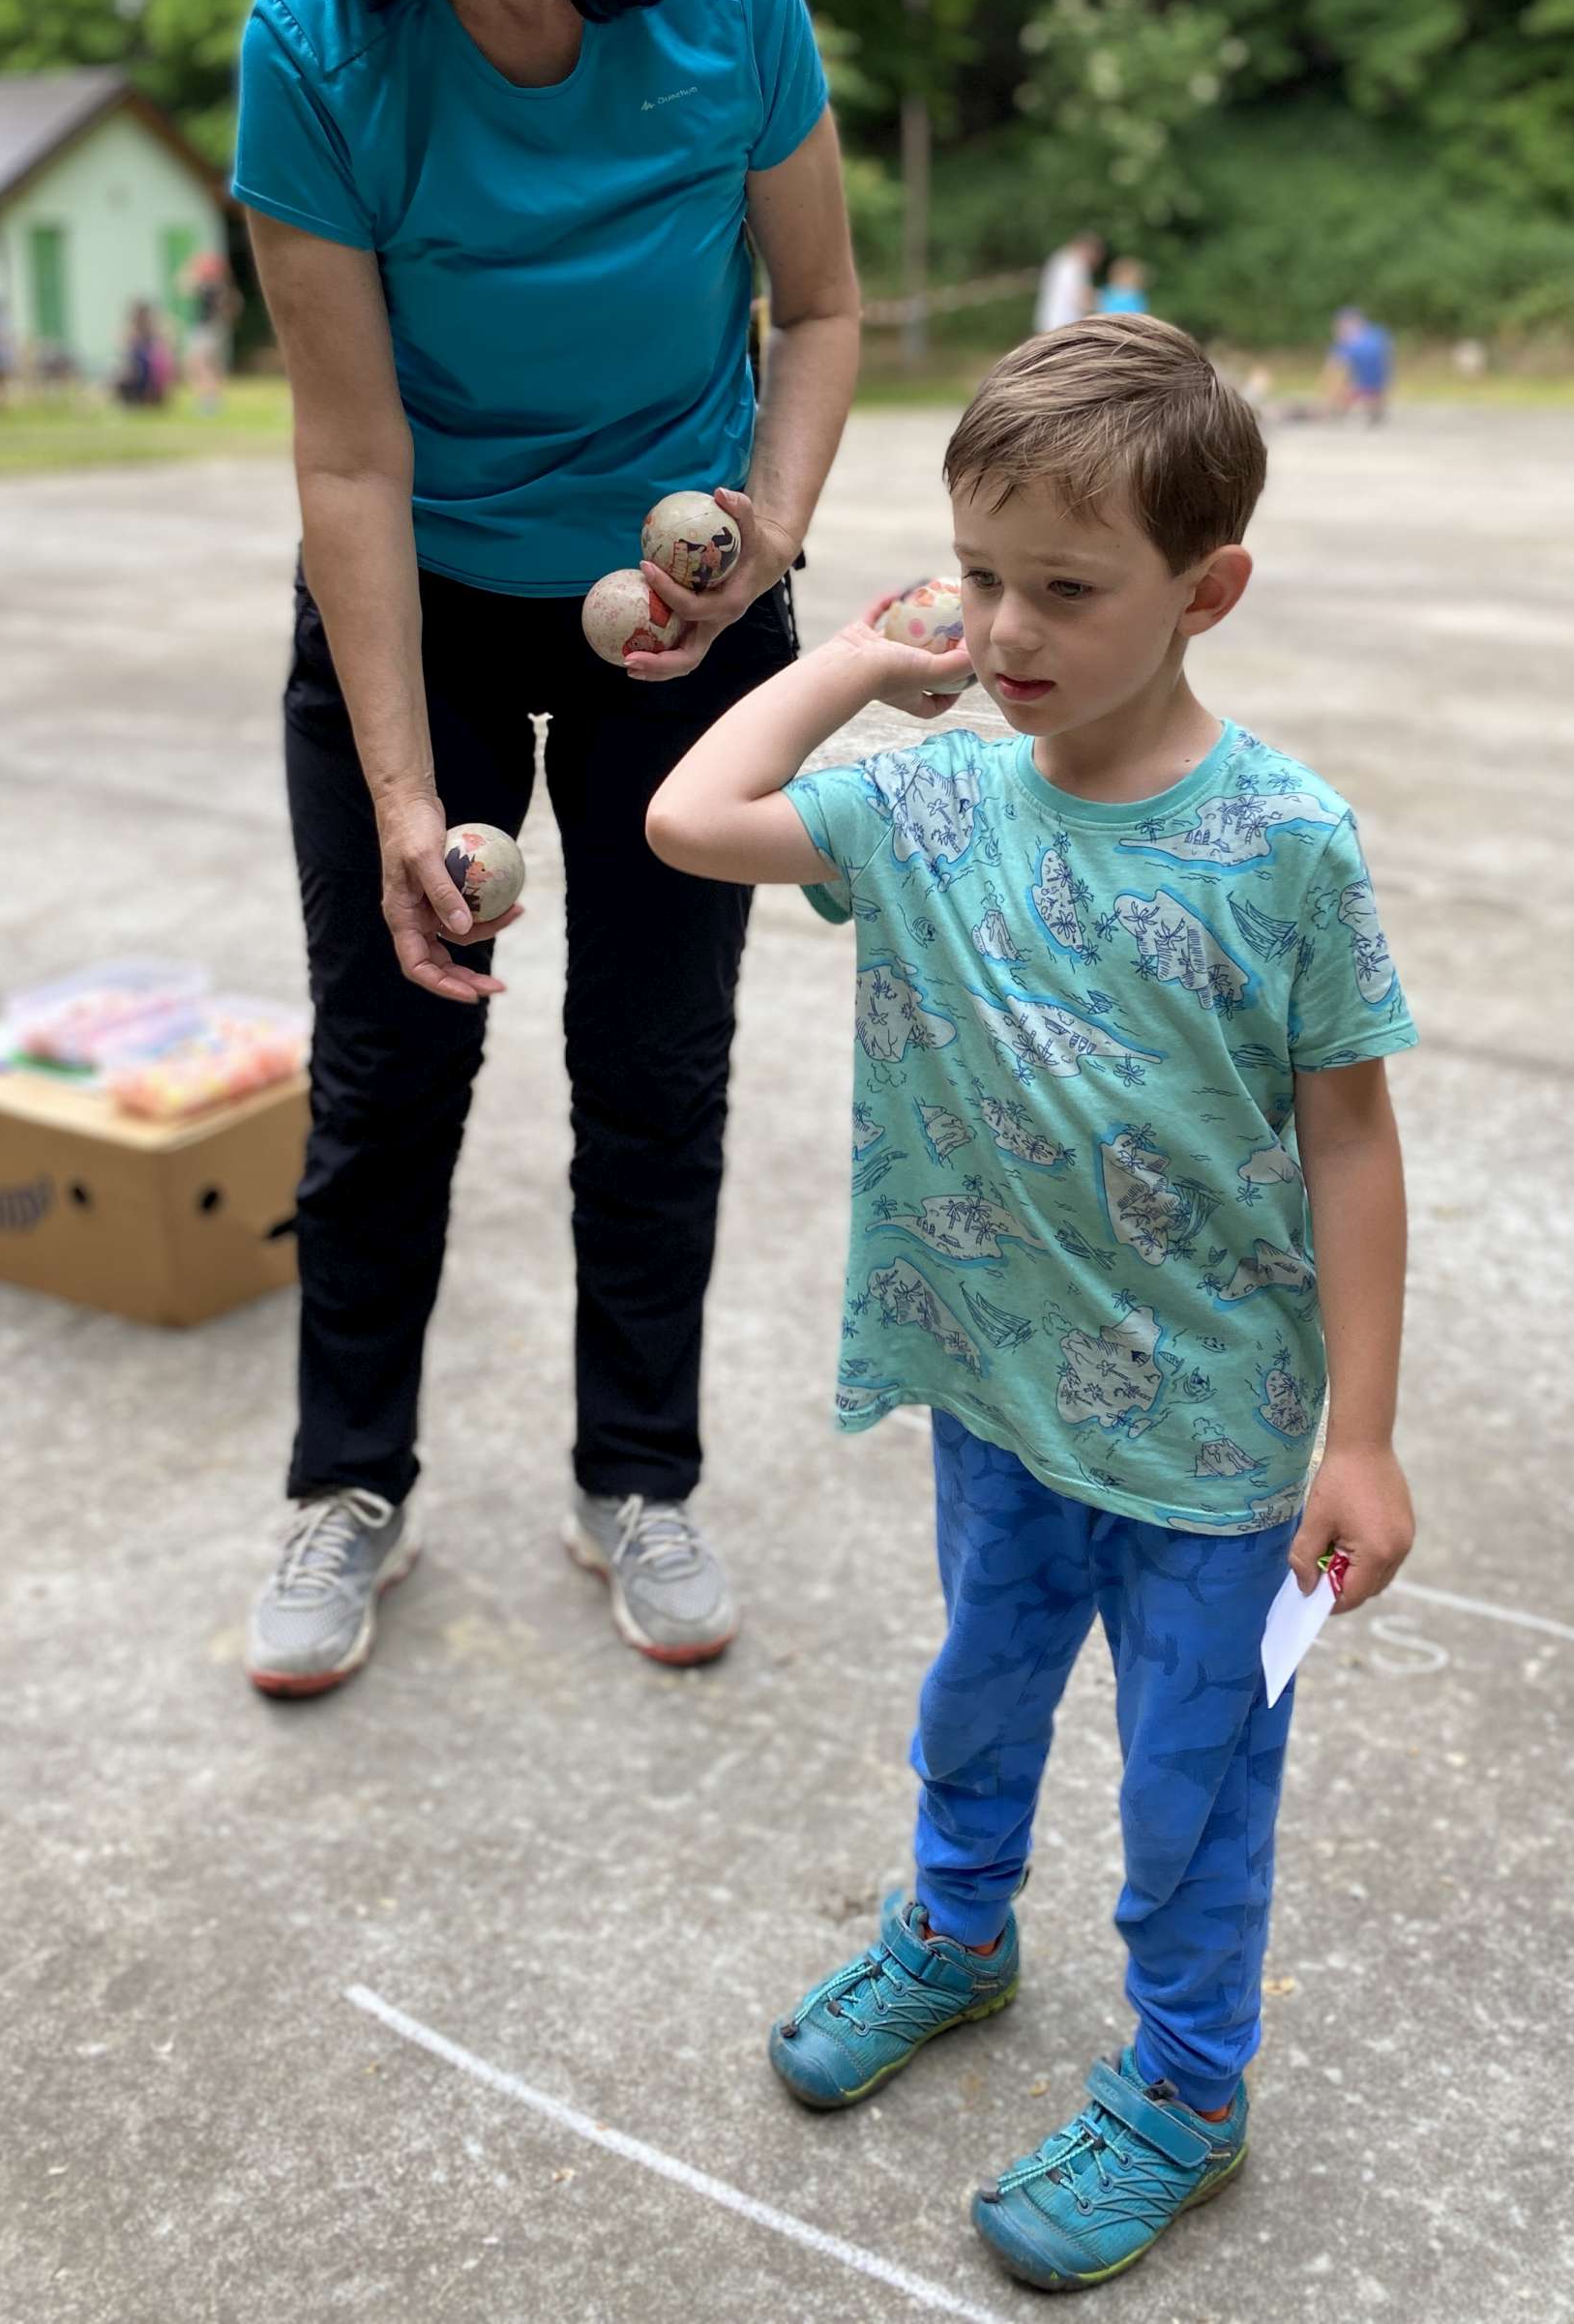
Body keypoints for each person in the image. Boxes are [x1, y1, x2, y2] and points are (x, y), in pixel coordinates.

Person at [647, 313, 1417, 2292]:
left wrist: (1364, 1437)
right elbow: (688, 818)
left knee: (1192, 1786)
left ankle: (1186, 2089)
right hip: (995, 1392)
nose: (1006, 629)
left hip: (1215, 1444)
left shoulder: (1286, 845)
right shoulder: (931, 810)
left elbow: (1350, 1140)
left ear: (1206, 592)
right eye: (981, 576)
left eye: (1067, 589)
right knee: (977, 1697)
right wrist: (856, 660)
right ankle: (956, 1932)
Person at [230, 0, 858, 1693]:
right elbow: (348, 450)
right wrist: (411, 797)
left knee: (655, 1062)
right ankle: (346, 1488)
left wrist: (764, 533)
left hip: (683, 608)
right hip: (415, 603)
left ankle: (639, 1475)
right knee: (392, 1066)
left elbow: (822, 313)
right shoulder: (314, 41)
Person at [178, 248, 234, 413]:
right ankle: (212, 399)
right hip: (213, 329)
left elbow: (184, 286)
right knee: (208, 365)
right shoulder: (220, 286)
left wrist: (189, 267)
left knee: (201, 365)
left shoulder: (209, 286)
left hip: (206, 330)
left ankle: (209, 401)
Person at [1322, 304, 1393, 421]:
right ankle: (1372, 404)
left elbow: (1334, 372)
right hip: (1377, 389)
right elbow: (1387, 364)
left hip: (1360, 388)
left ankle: (1336, 406)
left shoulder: (1347, 344)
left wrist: (1332, 397)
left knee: (1337, 373)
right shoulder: (1378, 335)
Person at [1031, 229, 1102, 335]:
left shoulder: (1060, 258)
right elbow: (1081, 299)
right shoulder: (1077, 265)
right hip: (1063, 325)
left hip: (1049, 321)